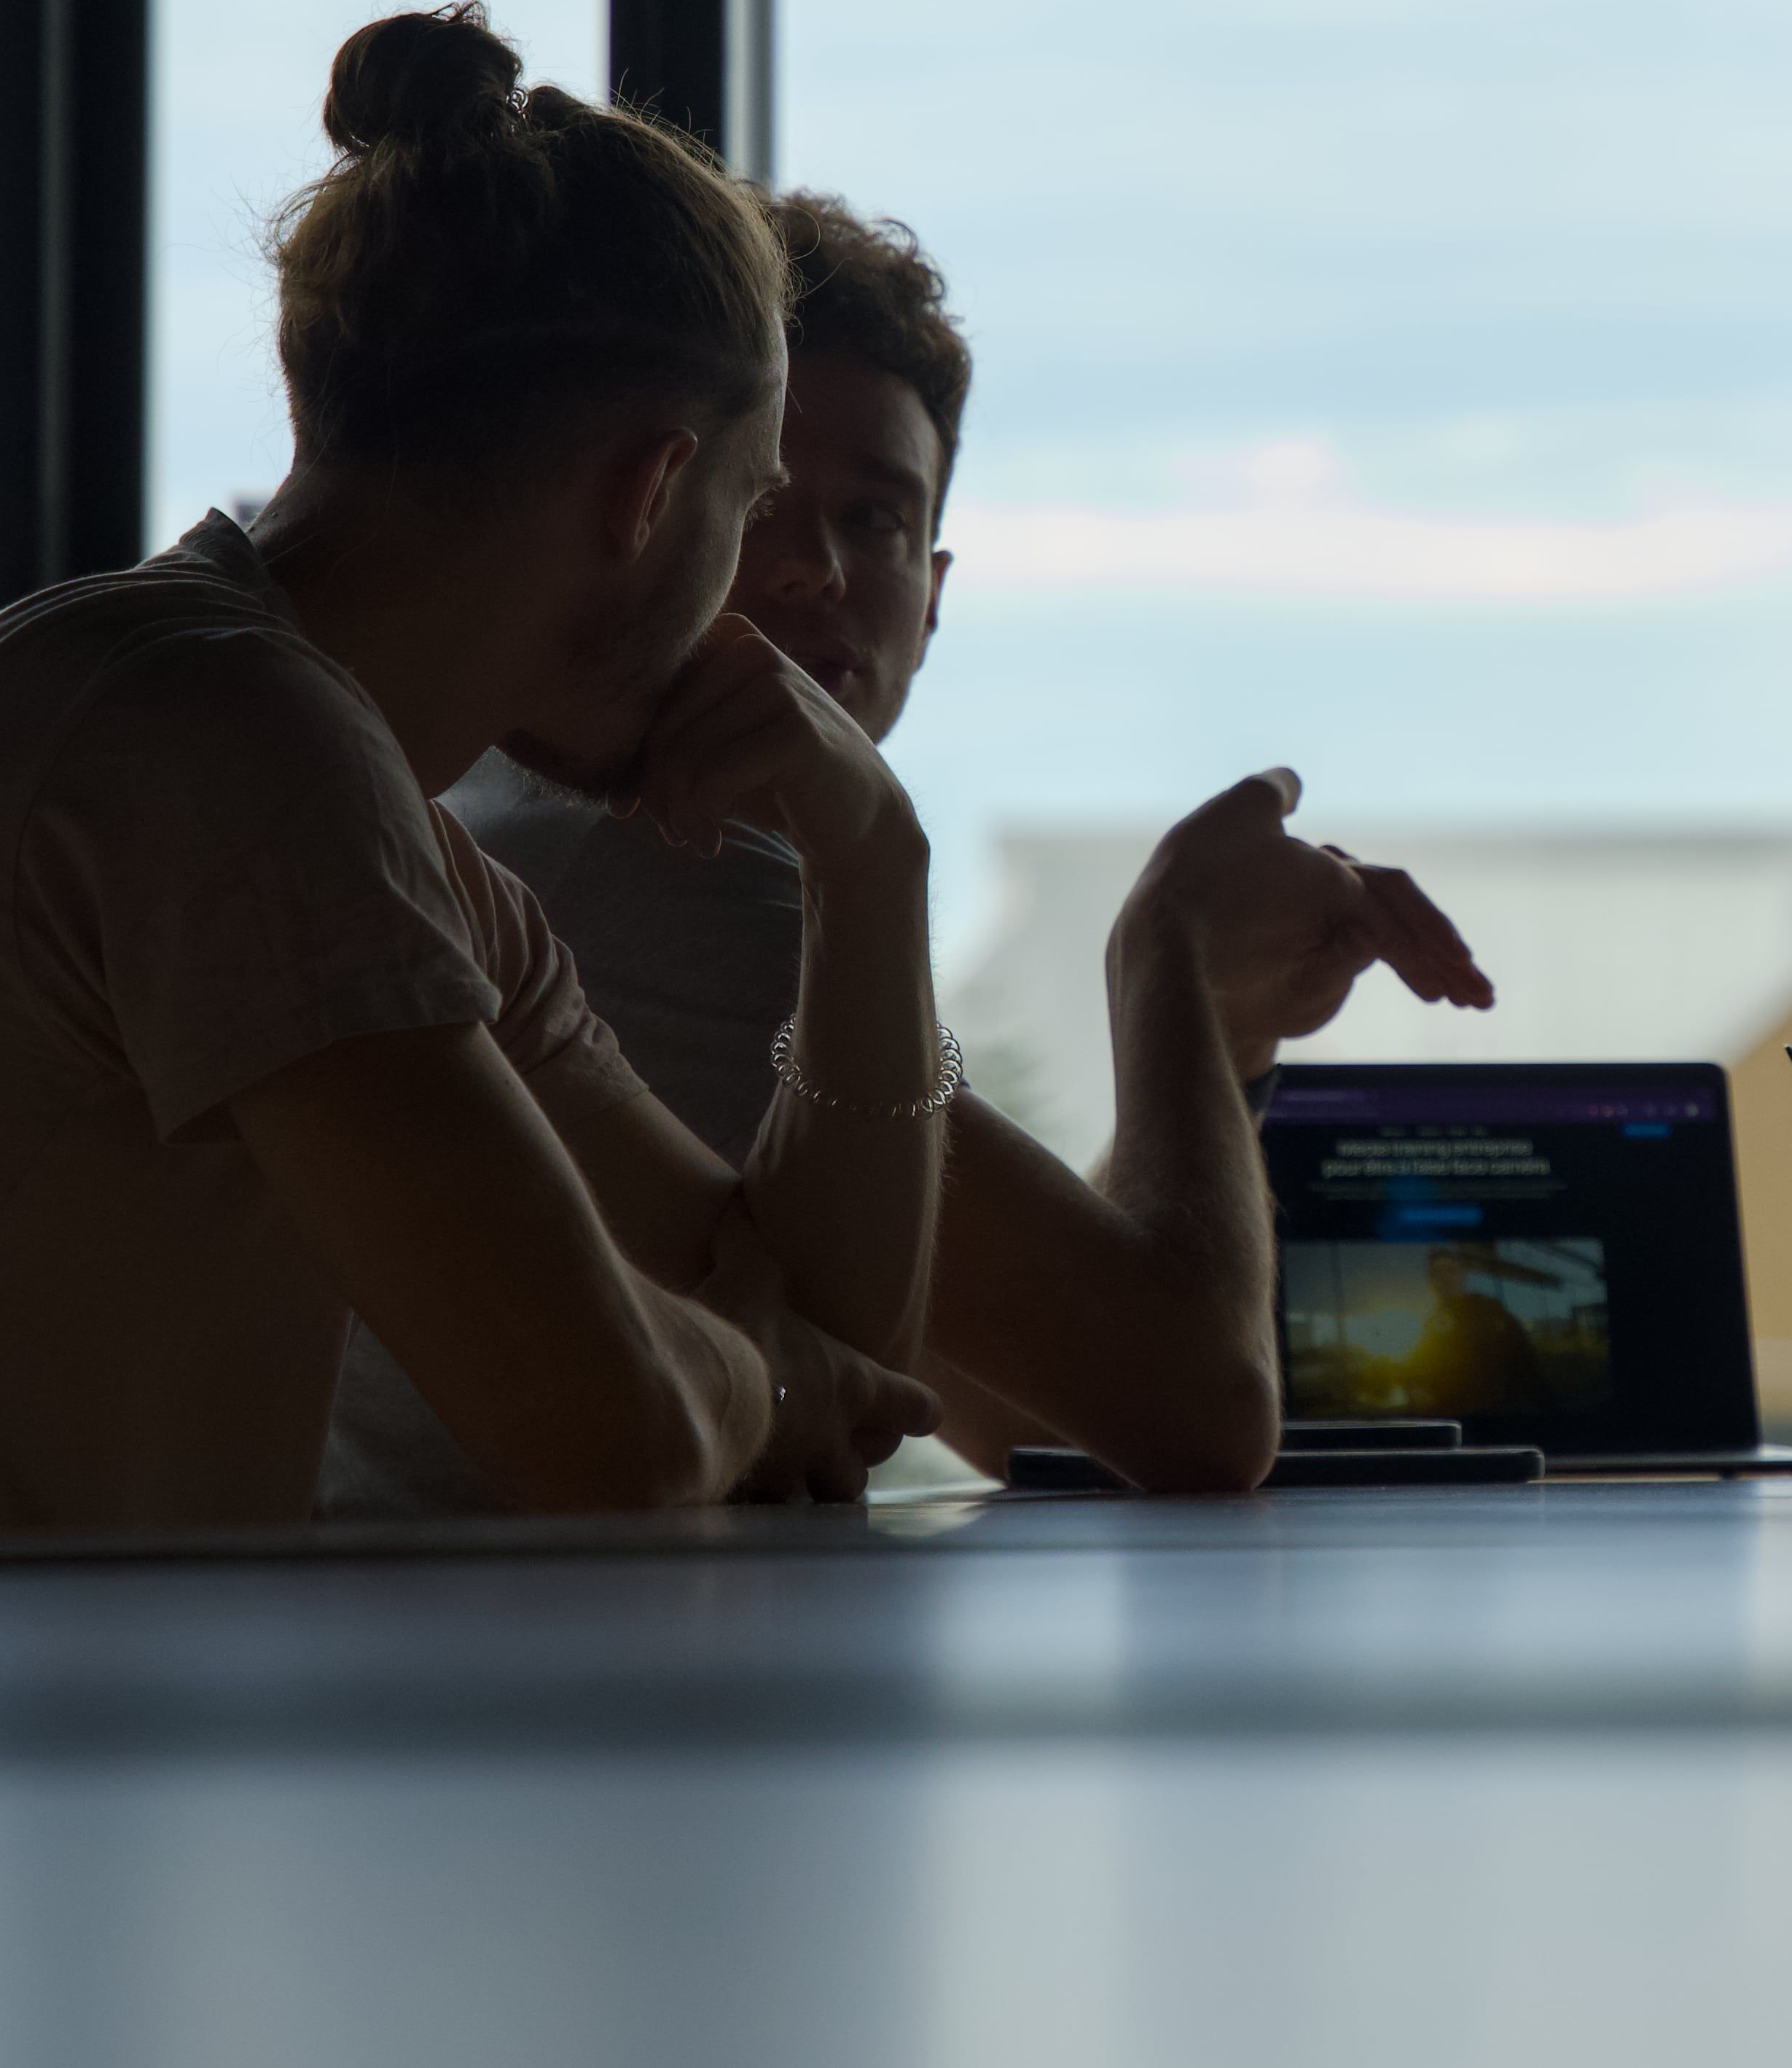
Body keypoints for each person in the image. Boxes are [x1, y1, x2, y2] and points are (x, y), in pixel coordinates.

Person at [0, 5, 946, 1588]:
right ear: (651, 490)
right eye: (747, 504)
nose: (746, 585)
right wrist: (761, 1375)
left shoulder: (346, 800)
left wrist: (875, 858)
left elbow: (828, 1334)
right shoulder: (218, 743)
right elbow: (617, 1432)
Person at [323, 193, 1495, 1512]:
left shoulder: (515, 813)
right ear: (657, 500)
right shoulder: (654, 865)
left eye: (874, 520)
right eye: (758, 497)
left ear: (932, 600)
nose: (811, 569)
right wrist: (1163, 953)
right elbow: (1197, 1411)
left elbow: (1003, 1403)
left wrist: (1220, 1040)